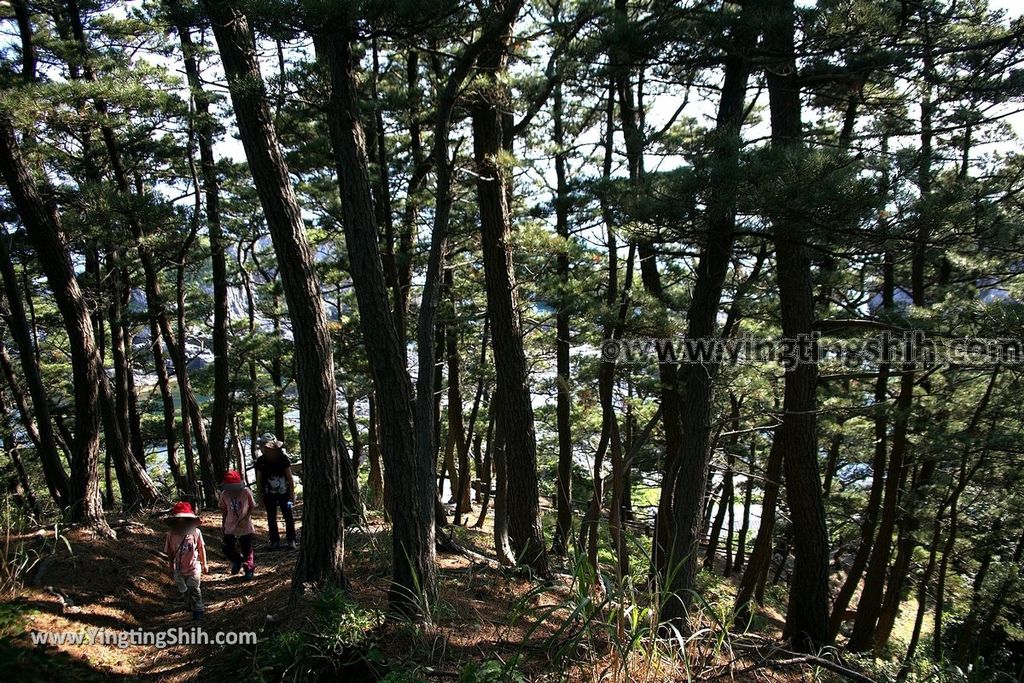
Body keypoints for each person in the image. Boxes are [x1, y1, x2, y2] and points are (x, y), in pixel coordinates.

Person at [162, 501, 208, 621]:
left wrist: (204, 564)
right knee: (185, 590)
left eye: (185, 519)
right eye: (179, 519)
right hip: (179, 569)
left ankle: (198, 610)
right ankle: (188, 603)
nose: (181, 522)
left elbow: (201, 548)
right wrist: (171, 566)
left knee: (194, 588)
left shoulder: (196, 532)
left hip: (194, 567)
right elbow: (171, 553)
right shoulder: (171, 535)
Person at [254, 433, 297, 550]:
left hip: (285, 494)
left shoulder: (283, 458)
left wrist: (292, 495)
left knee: (288, 515)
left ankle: (291, 540)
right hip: (268, 494)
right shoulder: (261, 461)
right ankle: (274, 541)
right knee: (271, 517)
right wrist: (259, 496)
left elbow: (289, 478)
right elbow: (259, 480)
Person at [219, 470, 256, 579]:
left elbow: (252, 506)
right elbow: (224, 509)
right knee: (227, 548)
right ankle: (237, 560)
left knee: (247, 549)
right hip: (230, 526)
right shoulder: (224, 494)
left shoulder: (246, 492)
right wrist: (223, 523)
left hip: (245, 526)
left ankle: (249, 569)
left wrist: (246, 518)